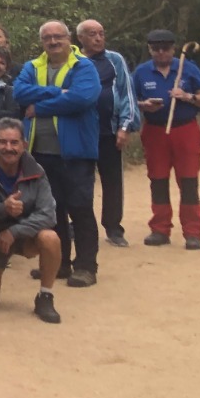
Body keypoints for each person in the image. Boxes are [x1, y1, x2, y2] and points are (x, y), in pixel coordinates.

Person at [13, 22, 102, 287]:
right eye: (47, 38)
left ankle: (86, 266)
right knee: (52, 210)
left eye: (58, 37)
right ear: (42, 41)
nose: (53, 42)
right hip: (39, 153)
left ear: (68, 38)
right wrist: (57, 92)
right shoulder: (33, 66)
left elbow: (82, 98)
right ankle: (59, 264)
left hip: (75, 153)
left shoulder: (83, 66)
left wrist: (40, 108)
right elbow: (19, 92)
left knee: (80, 208)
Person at [0, 120, 63, 324]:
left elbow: (48, 214)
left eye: (14, 142)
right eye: (2, 142)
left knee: (50, 238)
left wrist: (14, 231)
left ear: (24, 145)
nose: (8, 147)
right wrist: (2, 208)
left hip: (25, 234)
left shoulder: (37, 170)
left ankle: (45, 296)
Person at [132, 29, 200, 249]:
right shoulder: (141, 72)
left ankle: (193, 232)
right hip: (154, 131)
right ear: (150, 49)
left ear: (173, 48)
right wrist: (143, 105)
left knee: (188, 181)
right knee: (158, 180)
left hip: (185, 129)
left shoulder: (188, 68)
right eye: (156, 49)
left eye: (166, 48)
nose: (161, 52)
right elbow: (129, 101)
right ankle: (160, 229)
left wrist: (188, 96)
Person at [76, 20, 140, 248]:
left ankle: (113, 228)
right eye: (92, 34)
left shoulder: (115, 59)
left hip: (109, 131)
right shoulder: (74, 60)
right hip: (82, 133)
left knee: (112, 181)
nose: (98, 38)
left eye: (101, 33)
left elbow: (127, 93)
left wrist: (125, 126)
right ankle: (79, 224)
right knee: (80, 181)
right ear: (81, 38)